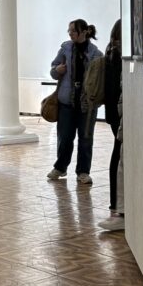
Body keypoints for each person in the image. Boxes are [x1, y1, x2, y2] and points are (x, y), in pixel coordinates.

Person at [48, 19, 102, 183]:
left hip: (87, 103)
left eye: (73, 30)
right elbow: (53, 70)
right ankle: (60, 167)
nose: (70, 33)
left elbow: (100, 78)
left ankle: (83, 172)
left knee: (85, 139)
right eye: (69, 30)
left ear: (84, 32)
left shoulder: (96, 54)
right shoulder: (65, 49)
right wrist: (57, 70)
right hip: (67, 101)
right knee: (64, 137)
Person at [103, 20, 124, 212]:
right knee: (118, 155)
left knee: (117, 153)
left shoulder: (110, 52)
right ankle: (116, 201)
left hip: (112, 112)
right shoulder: (118, 56)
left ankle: (115, 200)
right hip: (117, 112)